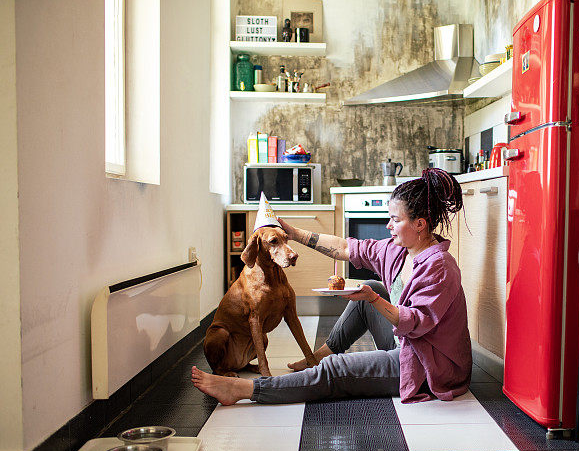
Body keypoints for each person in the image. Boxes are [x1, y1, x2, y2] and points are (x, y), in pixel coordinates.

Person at [192, 168, 472, 405]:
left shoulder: (440, 267)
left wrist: (373, 299)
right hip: (409, 341)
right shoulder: (398, 250)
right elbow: (344, 247)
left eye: (395, 220)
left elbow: (415, 323)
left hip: (426, 363)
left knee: (336, 370)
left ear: (420, 224)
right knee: (371, 286)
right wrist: (294, 233)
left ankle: (246, 390)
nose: (388, 226)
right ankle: (316, 357)